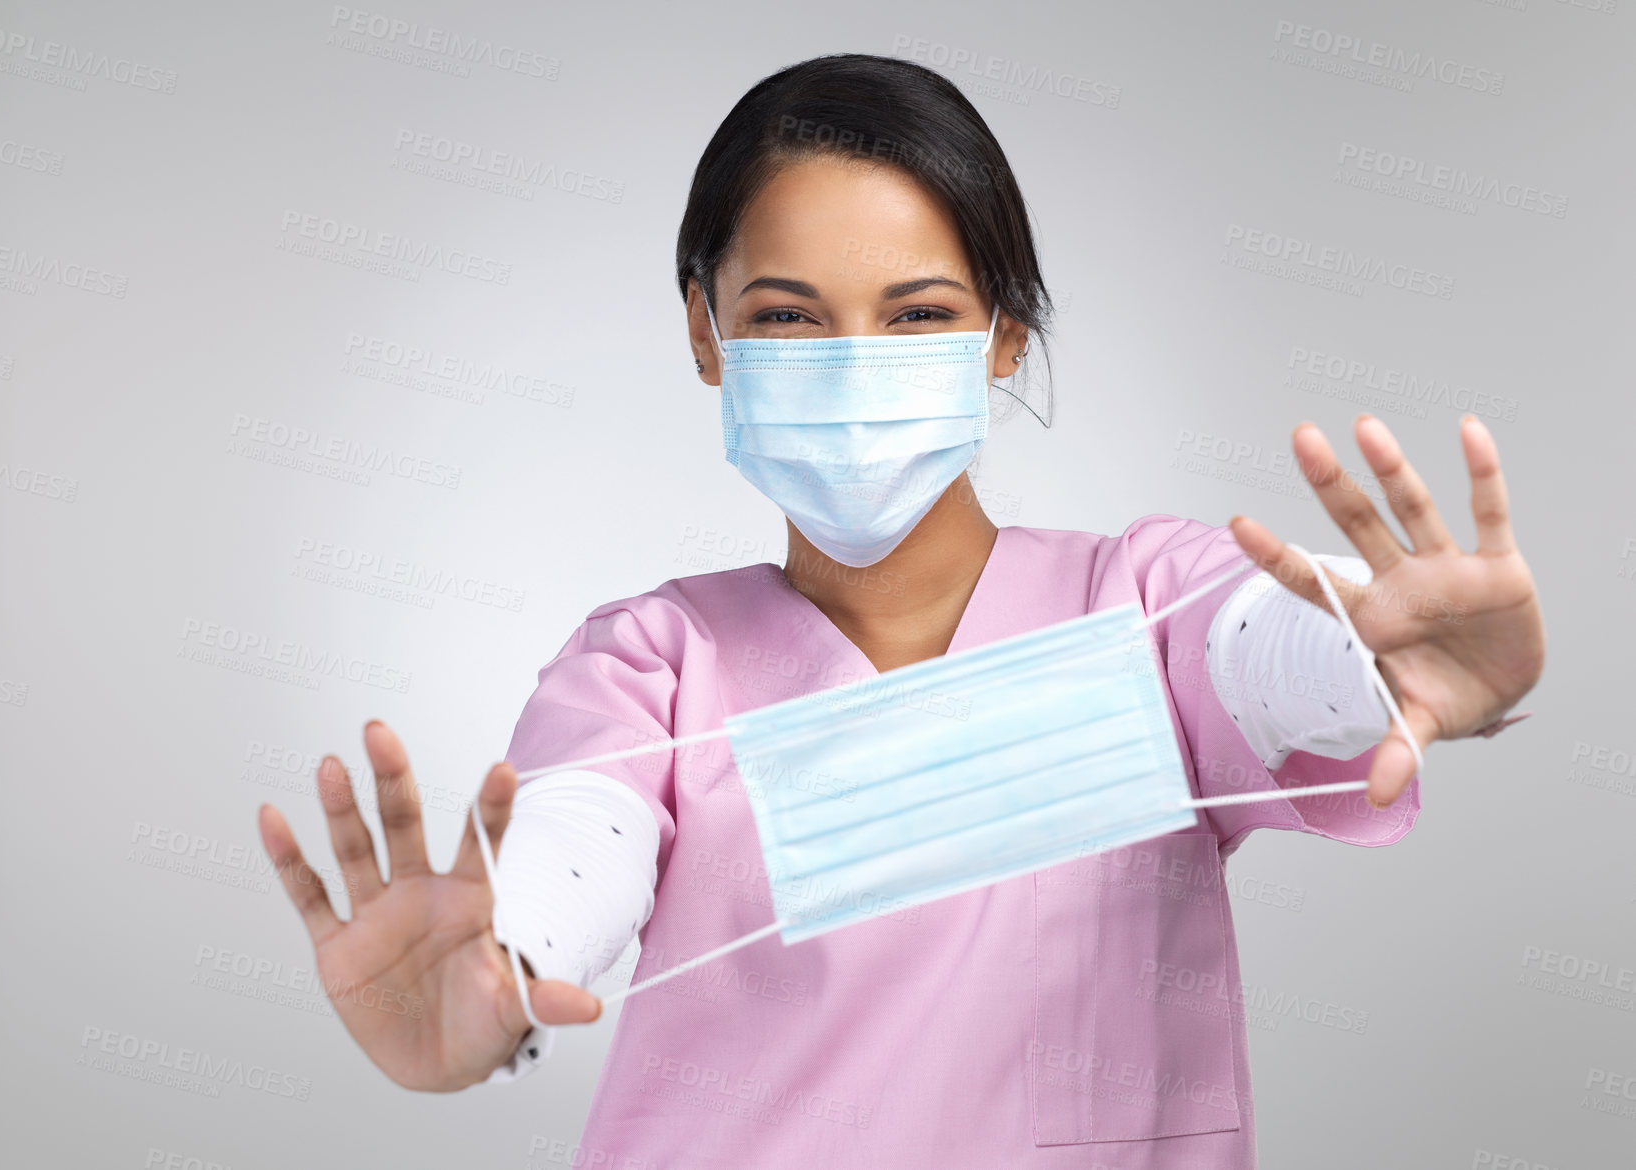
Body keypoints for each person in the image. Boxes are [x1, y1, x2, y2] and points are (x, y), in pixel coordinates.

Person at [256, 53, 1545, 1168]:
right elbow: (573, 838)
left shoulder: (1143, 611)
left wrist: (1376, 648)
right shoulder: (654, 665)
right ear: (707, 336)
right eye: (787, 318)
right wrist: (503, 965)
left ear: (1002, 335)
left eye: (917, 313)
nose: (855, 364)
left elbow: (1264, 657)